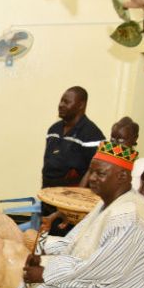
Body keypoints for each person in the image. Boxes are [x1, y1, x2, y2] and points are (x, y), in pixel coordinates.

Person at [0, 141, 144, 288]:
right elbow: (76, 243)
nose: (91, 178)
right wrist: (42, 255)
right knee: (30, 275)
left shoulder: (129, 218)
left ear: (122, 177)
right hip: (102, 281)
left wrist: (46, 273)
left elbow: (100, 270)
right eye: (91, 172)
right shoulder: (109, 202)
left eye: (100, 173)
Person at [41, 86, 106, 235]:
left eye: (67, 102)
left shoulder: (92, 135)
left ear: (81, 105)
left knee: (64, 245)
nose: (61, 105)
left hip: (72, 209)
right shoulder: (53, 130)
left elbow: (95, 172)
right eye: (61, 100)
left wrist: (78, 202)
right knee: (45, 240)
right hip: (48, 200)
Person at [80, 116, 144, 204]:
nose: (115, 144)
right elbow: (81, 192)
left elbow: (143, 208)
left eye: (121, 140)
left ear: (135, 138)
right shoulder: (103, 163)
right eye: (112, 139)